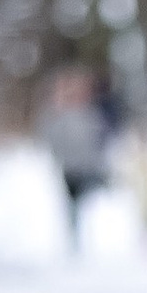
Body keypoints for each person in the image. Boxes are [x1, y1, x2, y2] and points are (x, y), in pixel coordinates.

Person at [39, 67, 114, 253]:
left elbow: (101, 138)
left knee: (92, 202)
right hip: (70, 168)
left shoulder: (91, 114)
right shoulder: (58, 116)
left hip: (89, 167)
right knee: (74, 205)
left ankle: (95, 237)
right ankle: (76, 240)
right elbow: (49, 138)